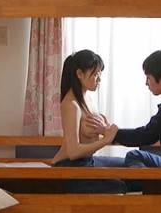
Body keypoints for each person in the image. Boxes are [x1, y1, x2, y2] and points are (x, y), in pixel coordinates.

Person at [87, 50, 161, 169]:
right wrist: (112, 132)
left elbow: (145, 135)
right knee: (134, 155)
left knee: (134, 157)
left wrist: (110, 132)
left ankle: (145, 180)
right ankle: (145, 179)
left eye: (148, 77)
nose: (146, 83)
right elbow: (149, 133)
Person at [52, 50, 128, 194]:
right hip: (69, 167)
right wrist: (105, 140)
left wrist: (104, 130)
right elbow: (73, 152)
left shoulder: (87, 99)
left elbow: (92, 135)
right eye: (96, 74)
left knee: (129, 166)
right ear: (79, 74)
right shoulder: (71, 105)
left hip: (86, 161)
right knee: (119, 186)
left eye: (100, 74)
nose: (99, 79)